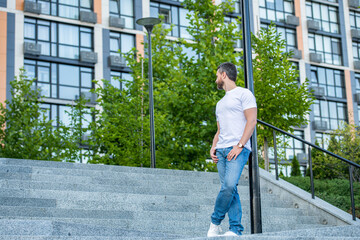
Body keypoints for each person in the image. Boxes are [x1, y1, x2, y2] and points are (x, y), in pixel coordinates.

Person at [207, 62, 257, 237]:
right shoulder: (220, 103)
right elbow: (220, 130)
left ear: (223, 75)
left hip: (237, 148)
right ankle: (235, 229)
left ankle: (215, 222)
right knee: (231, 189)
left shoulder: (244, 94)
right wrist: (213, 146)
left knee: (228, 186)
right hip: (221, 149)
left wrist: (240, 145)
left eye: (216, 76)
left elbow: (251, 121)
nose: (216, 79)